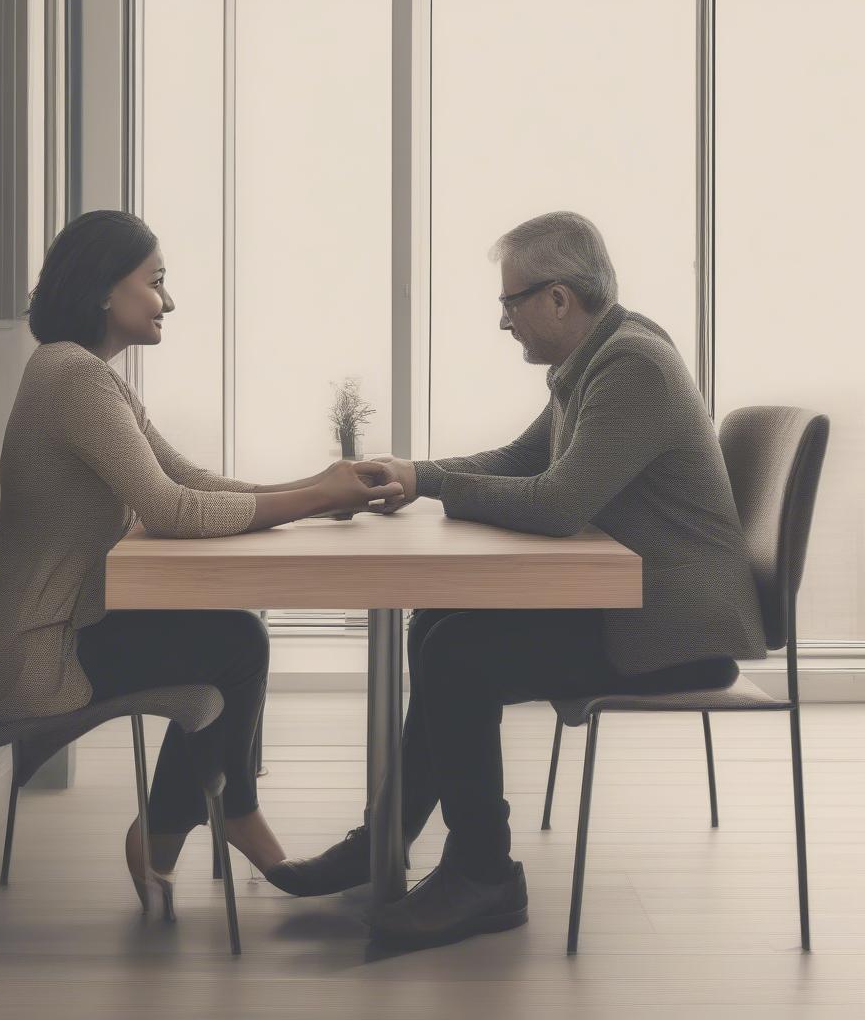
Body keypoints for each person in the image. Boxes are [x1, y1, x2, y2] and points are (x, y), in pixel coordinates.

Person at [268, 210, 769, 949]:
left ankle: (484, 874)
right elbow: (522, 459)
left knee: (457, 655)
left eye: (511, 303)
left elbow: (560, 502)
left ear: (559, 298)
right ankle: (387, 841)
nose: (504, 322)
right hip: (635, 604)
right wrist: (418, 474)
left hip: (673, 629)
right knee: (439, 622)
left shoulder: (631, 368)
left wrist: (433, 486)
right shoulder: (597, 359)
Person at [0, 209, 402, 915]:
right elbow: (173, 509)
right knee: (233, 641)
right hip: (29, 657)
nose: (168, 300)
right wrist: (314, 496)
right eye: (156, 282)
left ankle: (180, 829)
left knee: (231, 636)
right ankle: (203, 822)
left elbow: (191, 480)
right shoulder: (73, 378)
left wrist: (318, 492)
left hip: (44, 633)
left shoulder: (86, 375)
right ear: (107, 289)